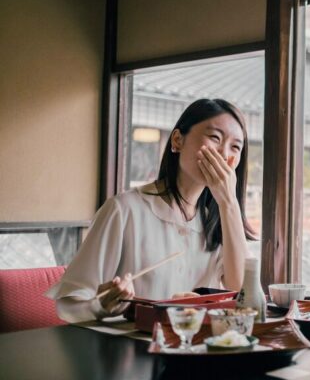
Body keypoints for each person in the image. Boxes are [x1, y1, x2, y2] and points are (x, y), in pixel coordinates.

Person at [47, 98, 256, 322]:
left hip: (196, 350)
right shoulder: (124, 210)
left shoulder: (219, 221)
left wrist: (228, 203)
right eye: (215, 137)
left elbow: (246, 297)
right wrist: (101, 305)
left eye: (235, 147)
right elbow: (68, 305)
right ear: (177, 140)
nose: (223, 154)